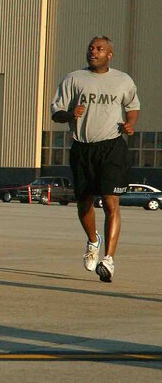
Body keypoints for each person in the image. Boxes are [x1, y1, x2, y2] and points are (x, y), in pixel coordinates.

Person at [50, 36, 139, 283]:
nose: (93, 52)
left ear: (109, 54)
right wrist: (70, 113)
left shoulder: (123, 80)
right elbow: (56, 113)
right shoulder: (74, 79)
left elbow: (132, 107)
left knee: (111, 203)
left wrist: (130, 124)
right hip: (82, 148)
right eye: (91, 48)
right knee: (84, 203)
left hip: (111, 147)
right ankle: (93, 240)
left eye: (99, 49)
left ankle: (108, 260)